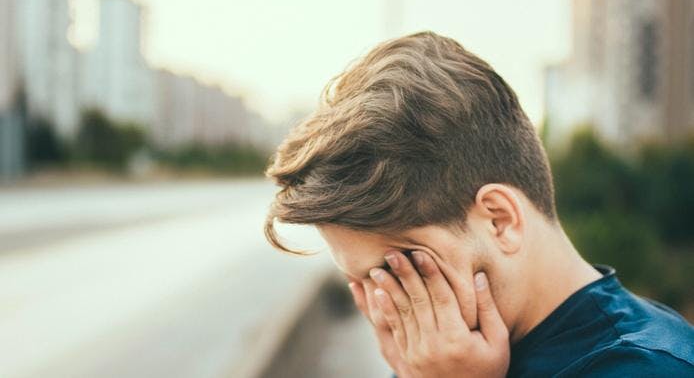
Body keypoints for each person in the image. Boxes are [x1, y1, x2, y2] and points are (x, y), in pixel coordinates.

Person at [262, 31, 694, 377]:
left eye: (399, 270)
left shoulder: (646, 367)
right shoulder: (445, 359)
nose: (385, 307)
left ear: (499, 220)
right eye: (361, 282)